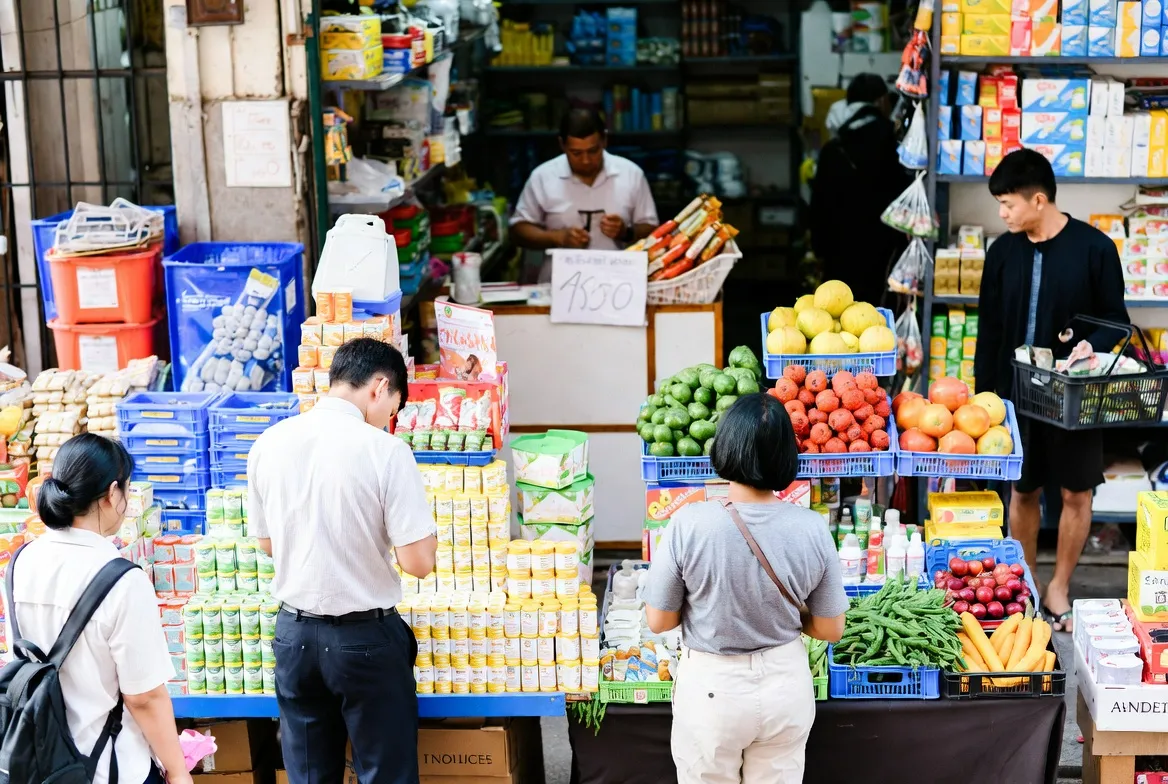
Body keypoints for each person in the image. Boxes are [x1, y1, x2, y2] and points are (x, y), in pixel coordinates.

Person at [247, 338, 437, 784]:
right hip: (364, 639)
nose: (388, 420)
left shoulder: (269, 443)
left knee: (310, 774)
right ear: (380, 386)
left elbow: (268, 544)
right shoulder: (385, 451)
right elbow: (418, 563)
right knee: (384, 773)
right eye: (392, 408)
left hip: (293, 638)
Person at [643, 394, 848, 784]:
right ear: (787, 455)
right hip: (786, 686)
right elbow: (831, 629)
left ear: (725, 448)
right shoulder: (812, 528)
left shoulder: (690, 523)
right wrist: (787, 614)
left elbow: (658, 620)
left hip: (712, 692)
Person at [975, 148, 1129, 633]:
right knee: (1022, 491)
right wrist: (984, 400)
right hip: (1016, 397)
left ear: (1038, 199)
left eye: (1008, 204)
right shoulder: (1002, 252)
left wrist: (1087, 342)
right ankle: (1024, 588)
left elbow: (1116, 323)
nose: (1002, 213)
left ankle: (1059, 586)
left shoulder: (1095, 248)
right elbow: (990, 332)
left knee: (1076, 493)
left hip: (1076, 398)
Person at [5, 433, 190, 784]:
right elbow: (145, 697)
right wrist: (178, 770)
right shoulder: (122, 579)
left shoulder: (20, 563)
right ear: (112, 493)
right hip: (111, 767)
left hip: (41, 762)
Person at [510, 107, 660, 283]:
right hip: (559, 285)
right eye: (576, 153)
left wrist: (626, 232)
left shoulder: (631, 174)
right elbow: (518, 230)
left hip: (618, 285)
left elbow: (653, 230)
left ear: (604, 140)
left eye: (593, 151)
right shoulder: (542, 177)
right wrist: (557, 237)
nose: (586, 160)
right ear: (562, 145)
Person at [809, 73, 911, 307]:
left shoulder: (833, 148)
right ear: (882, 101)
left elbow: (818, 206)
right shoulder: (895, 143)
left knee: (837, 312)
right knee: (876, 312)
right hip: (881, 249)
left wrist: (819, 249)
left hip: (839, 250)